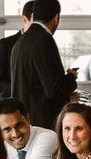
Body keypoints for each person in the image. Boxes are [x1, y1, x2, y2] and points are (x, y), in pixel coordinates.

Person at [11, 0, 78, 130]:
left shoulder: (20, 42)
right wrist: (71, 77)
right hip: (43, 123)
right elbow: (54, 90)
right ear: (56, 18)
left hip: (25, 119)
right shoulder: (44, 39)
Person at [0, 1, 34, 99]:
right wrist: (22, 91)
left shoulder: (45, 47)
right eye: (36, 23)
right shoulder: (4, 45)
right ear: (25, 20)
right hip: (11, 110)